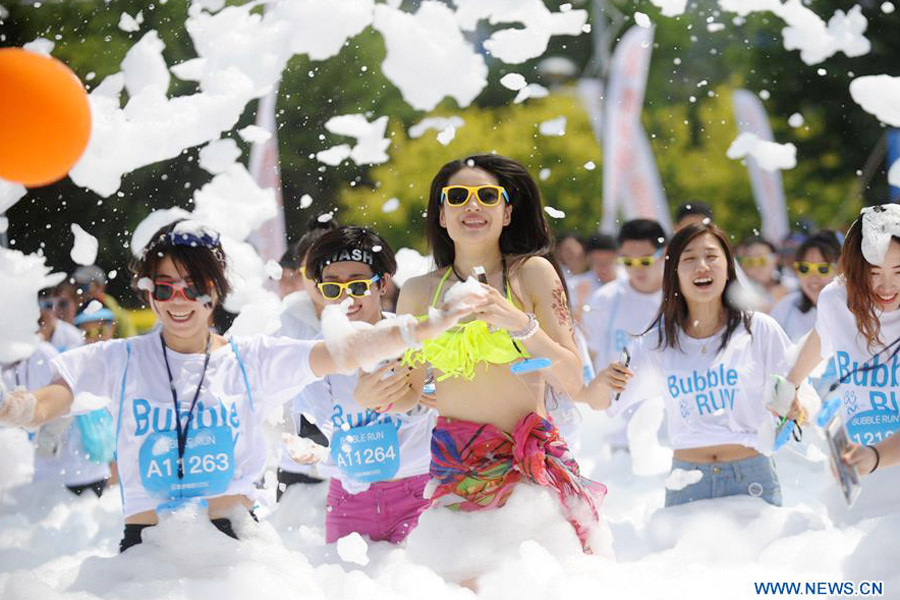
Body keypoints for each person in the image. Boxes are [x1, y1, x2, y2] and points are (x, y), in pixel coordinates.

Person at [0, 219, 479, 552]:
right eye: (164, 288)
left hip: (237, 551)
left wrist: (422, 329)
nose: (178, 300)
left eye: (194, 287)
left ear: (216, 291)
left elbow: (344, 350)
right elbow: (59, 392)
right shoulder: (119, 358)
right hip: (144, 550)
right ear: (148, 291)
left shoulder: (253, 359)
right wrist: (24, 408)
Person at [356, 155, 606, 580]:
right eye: (458, 197)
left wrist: (519, 323)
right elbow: (410, 393)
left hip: (528, 471)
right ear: (442, 213)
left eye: (487, 196)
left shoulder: (532, 274)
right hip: (456, 473)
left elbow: (573, 379)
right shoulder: (419, 292)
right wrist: (370, 393)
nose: (473, 205)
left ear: (507, 212)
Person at [582, 222, 794, 507]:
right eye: (689, 259)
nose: (702, 266)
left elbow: (794, 389)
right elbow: (601, 404)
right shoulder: (656, 342)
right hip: (687, 480)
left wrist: (791, 411)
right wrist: (604, 380)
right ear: (675, 272)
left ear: (728, 266)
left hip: (751, 475)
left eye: (711, 256)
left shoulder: (759, 330)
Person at [288, 227, 435, 544]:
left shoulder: (409, 336)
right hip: (348, 497)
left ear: (382, 284)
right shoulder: (318, 352)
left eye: (357, 285)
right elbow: (316, 428)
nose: (346, 298)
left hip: (417, 489)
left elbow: (436, 404)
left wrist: (402, 400)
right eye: (333, 289)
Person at [787, 205, 900, 447]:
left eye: (899, 272)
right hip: (857, 457)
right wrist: (790, 386)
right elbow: (821, 338)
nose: (887, 286)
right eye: (874, 272)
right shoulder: (837, 299)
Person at [581, 219, 667, 451]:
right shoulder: (606, 299)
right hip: (617, 431)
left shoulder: (679, 300)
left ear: (664, 253)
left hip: (666, 431)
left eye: (645, 260)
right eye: (628, 261)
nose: (637, 268)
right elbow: (588, 357)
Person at [274, 215, 339, 497]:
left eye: (332, 265)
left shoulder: (366, 316)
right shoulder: (282, 321)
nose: (324, 275)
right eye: (313, 267)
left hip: (357, 457)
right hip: (297, 463)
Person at [770, 231, 842, 342]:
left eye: (823, 269)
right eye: (805, 268)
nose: (813, 277)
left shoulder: (858, 312)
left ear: (841, 270)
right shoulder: (786, 307)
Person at [73, 264, 137, 338]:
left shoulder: (108, 304)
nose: (80, 290)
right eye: (77, 285)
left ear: (99, 287)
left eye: (85, 286)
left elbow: (126, 331)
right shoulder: (78, 304)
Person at [571, 232, 618, 324]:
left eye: (607, 261)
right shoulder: (575, 285)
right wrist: (580, 304)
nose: (603, 268)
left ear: (616, 257)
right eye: (598, 262)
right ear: (589, 260)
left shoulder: (629, 281)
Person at [736, 236, 790, 311]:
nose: (756, 266)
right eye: (750, 262)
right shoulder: (738, 292)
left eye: (762, 260)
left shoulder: (792, 286)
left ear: (776, 259)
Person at [38, 288, 84, 352]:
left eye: (48, 306)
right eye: (39, 306)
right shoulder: (23, 333)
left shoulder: (72, 335)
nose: (43, 311)